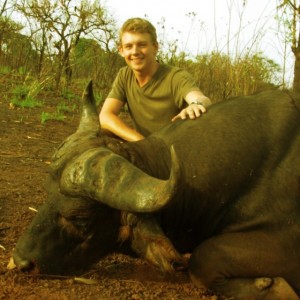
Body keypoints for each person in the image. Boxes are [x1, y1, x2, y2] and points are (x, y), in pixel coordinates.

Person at [99, 17, 211, 142]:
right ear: (121, 51)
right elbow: (105, 116)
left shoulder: (175, 76)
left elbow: (202, 99)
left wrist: (196, 104)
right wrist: (140, 141)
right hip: (145, 146)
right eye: (129, 46)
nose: (135, 52)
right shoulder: (124, 75)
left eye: (142, 45)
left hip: (176, 148)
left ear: (155, 47)